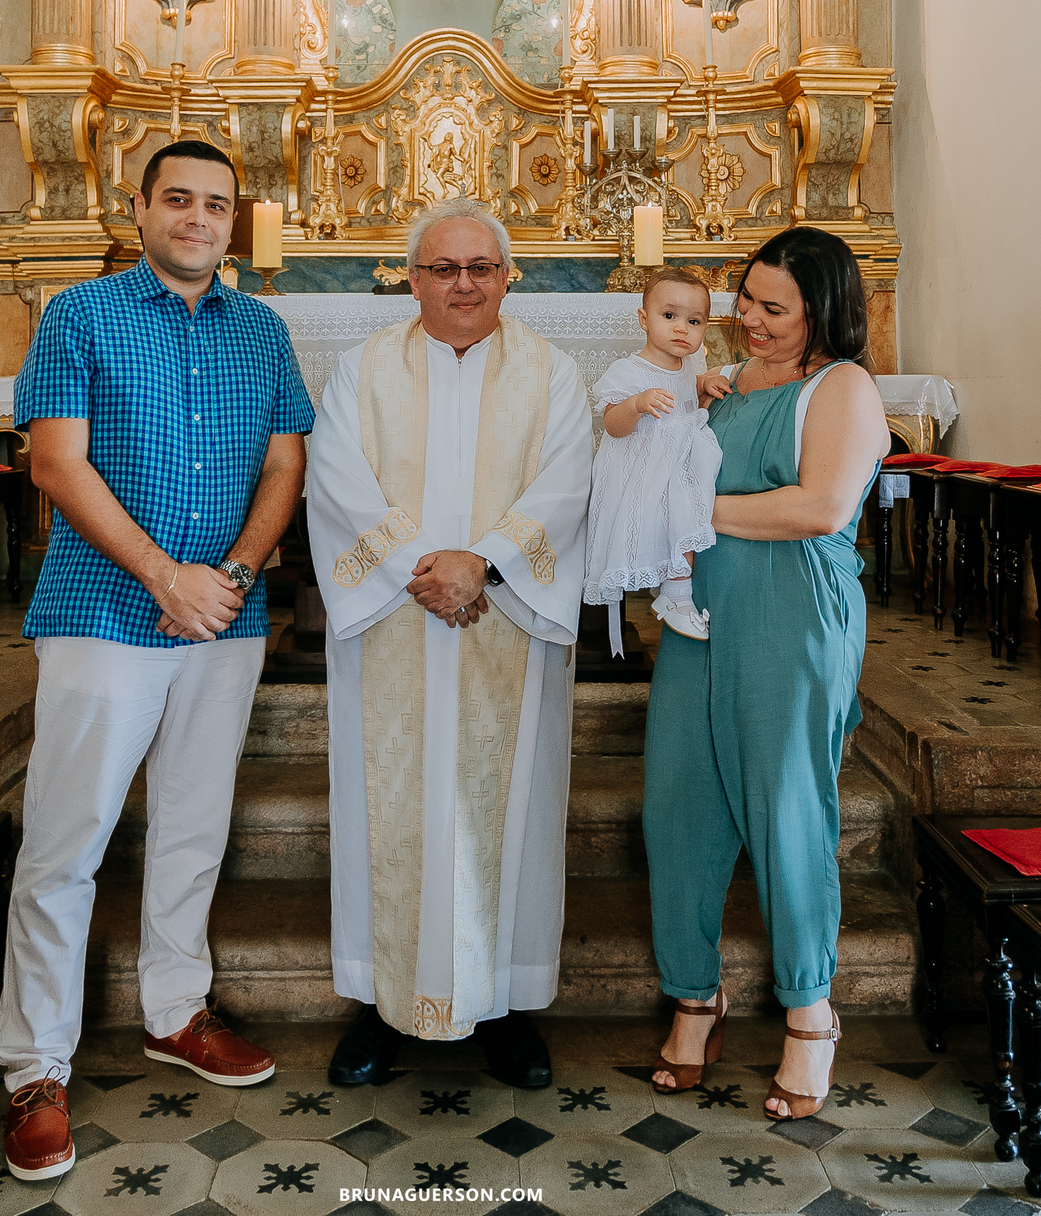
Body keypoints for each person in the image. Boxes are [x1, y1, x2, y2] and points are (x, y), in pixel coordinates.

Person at [0, 140, 315, 1183]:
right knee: (67, 839)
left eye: (216, 204)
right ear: (138, 208)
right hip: (103, 611)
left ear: (233, 221)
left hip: (224, 614)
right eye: (178, 198)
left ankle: (175, 1011)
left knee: (193, 824)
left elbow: (284, 463)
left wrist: (232, 573)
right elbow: (57, 463)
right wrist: (165, 577)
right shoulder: (80, 316)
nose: (197, 218)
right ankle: (35, 1070)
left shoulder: (262, 330)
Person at [306, 198, 592, 1090]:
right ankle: (381, 1000)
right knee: (389, 804)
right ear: (412, 279)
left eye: (480, 268)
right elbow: (337, 479)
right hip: (393, 622)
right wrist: (421, 573)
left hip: (506, 619)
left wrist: (485, 565)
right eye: (443, 268)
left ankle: (503, 1001)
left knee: (503, 808)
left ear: (508, 277)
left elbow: (568, 484)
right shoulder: (363, 370)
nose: (463, 284)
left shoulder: (553, 374)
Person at [642, 227, 890, 1118]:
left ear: (822, 311)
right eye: (745, 298)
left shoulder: (843, 387)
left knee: (786, 811)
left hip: (792, 613)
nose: (749, 318)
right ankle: (693, 996)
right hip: (700, 615)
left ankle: (809, 1012)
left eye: (773, 308)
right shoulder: (725, 381)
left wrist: (686, 509)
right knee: (678, 805)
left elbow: (819, 506)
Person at [583, 269, 724, 652]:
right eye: (669, 316)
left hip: (677, 463)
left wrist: (703, 384)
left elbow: (686, 389)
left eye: (694, 321)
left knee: (683, 521)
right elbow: (613, 426)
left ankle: (673, 591)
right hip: (642, 470)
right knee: (674, 521)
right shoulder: (628, 371)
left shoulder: (689, 366)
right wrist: (635, 404)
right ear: (644, 319)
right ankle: (676, 596)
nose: (681, 328)